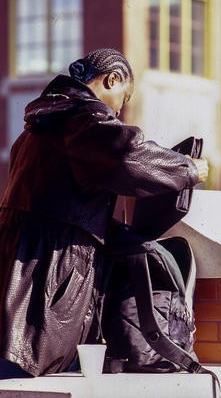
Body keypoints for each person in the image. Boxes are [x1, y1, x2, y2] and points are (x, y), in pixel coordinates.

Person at [0, 48, 208, 377]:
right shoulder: (85, 118)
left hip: (20, 269)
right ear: (111, 80)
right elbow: (126, 156)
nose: (119, 112)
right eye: (122, 101)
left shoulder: (37, 129)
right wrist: (189, 169)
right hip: (48, 273)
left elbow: (59, 202)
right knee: (27, 369)